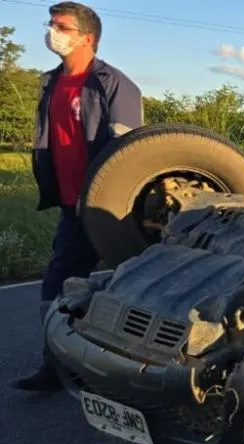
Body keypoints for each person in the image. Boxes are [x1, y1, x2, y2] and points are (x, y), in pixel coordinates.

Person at [13, 2, 143, 392]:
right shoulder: (50, 82)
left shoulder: (114, 84)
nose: (52, 31)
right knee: (58, 285)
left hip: (110, 208)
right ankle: (56, 364)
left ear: (87, 37)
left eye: (61, 26)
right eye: (51, 24)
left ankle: (137, 373)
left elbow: (131, 151)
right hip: (72, 206)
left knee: (133, 286)